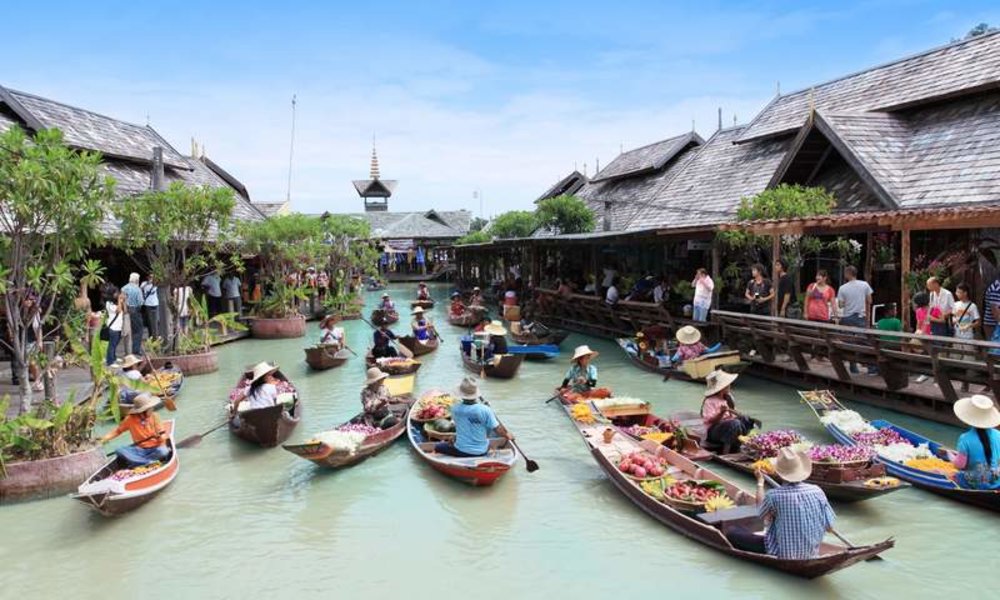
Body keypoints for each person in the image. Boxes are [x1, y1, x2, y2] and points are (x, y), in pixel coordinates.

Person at [729, 448, 836, 559]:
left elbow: (760, 513)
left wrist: (760, 482)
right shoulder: (817, 491)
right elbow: (829, 527)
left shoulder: (774, 495)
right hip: (811, 552)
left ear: (779, 473)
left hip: (780, 552)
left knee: (732, 532)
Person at [434, 377, 513, 458]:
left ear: (461, 394)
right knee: (488, 428)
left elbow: (461, 427)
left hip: (461, 451)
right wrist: (507, 435)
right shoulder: (485, 409)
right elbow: (498, 429)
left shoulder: (455, 409)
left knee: (438, 447)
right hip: (482, 451)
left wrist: (455, 437)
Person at [939, 395, 1000, 490]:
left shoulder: (965, 438)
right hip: (995, 479)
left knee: (937, 471)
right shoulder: (998, 435)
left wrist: (950, 455)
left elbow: (960, 465)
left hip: (974, 482)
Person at [99, 393, 170, 467]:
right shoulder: (130, 419)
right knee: (119, 450)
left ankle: (137, 461)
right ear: (143, 410)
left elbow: (162, 434)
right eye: (150, 408)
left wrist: (161, 437)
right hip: (140, 450)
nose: (152, 409)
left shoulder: (155, 416)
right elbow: (117, 431)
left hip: (156, 448)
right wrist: (104, 439)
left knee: (163, 451)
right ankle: (147, 462)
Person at [700, 370, 759, 454]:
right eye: (727, 384)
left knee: (747, 420)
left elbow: (735, 414)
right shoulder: (709, 401)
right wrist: (721, 413)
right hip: (713, 432)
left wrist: (738, 415)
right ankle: (726, 452)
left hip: (730, 428)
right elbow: (711, 421)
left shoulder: (728, 398)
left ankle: (740, 443)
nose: (729, 386)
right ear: (722, 387)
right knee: (734, 423)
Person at [836, 265, 873, 374]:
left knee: (849, 343)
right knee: (864, 342)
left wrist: (848, 301)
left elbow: (841, 305)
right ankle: (871, 367)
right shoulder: (865, 285)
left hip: (847, 317)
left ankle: (853, 367)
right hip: (860, 317)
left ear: (847, 274)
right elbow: (870, 300)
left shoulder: (842, 288)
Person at [122, 272, 144, 354]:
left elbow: (121, 300)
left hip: (125, 311)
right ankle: (135, 350)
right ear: (137, 280)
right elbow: (140, 302)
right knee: (138, 330)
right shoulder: (137, 289)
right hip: (135, 311)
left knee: (126, 330)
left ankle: (127, 350)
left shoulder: (124, 288)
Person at [104, 288, 125, 366]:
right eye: (116, 293)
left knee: (115, 343)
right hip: (113, 327)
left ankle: (114, 357)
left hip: (118, 327)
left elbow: (125, 310)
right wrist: (119, 300)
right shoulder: (109, 304)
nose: (118, 294)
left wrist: (123, 301)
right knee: (112, 345)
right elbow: (118, 310)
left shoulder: (116, 303)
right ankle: (110, 361)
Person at [140, 274, 159, 341]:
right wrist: (147, 283)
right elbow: (141, 288)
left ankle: (156, 335)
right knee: (150, 321)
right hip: (148, 304)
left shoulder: (156, 284)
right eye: (150, 277)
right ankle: (151, 335)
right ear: (147, 277)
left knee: (156, 320)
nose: (151, 278)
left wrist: (154, 282)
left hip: (155, 303)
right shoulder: (144, 283)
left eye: (152, 277)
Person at [983, 275, 1000, 341]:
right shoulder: (996, 289)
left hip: (996, 325)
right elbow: (995, 312)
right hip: (993, 325)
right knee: (994, 346)